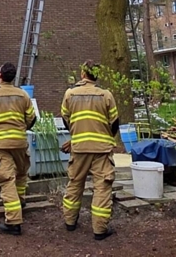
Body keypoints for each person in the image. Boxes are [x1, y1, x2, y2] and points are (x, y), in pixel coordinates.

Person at [60, 61, 119, 240]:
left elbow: (65, 118)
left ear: (83, 74)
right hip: (101, 150)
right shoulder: (106, 95)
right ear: (97, 75)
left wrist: (76, 134)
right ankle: (99, 230)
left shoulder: (70, 94)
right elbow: (114, 122)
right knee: (102, 187)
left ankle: (70, 222)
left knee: (75, 183)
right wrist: (106, 137)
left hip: (78, 149)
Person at [0, 62, 36, 235]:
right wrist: (20, 129)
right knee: (21, 173)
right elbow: (32, 120)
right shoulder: (23, 94)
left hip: (0, 144)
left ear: (0, 75)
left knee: (6, 180)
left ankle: (13, 221)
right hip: (19, 141)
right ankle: (21, 201)